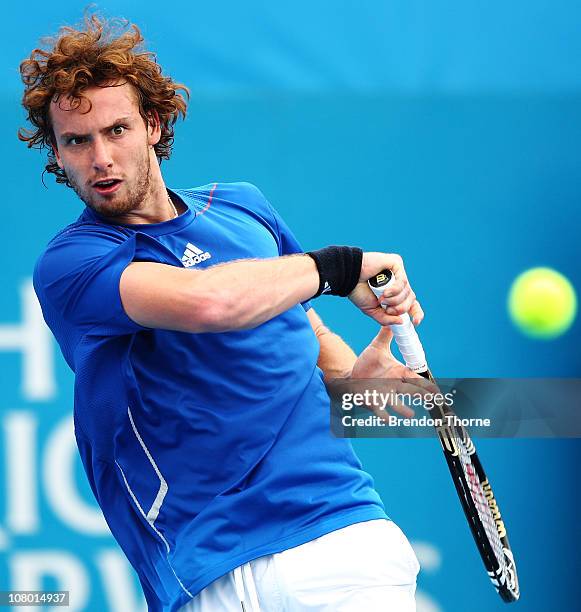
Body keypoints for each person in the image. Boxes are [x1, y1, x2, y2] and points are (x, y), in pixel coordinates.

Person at [20, 14, 431, 612]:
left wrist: (349, 383)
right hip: (203, 571)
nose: (102, 158)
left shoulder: (241, 207)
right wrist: (338, 268)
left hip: (333, 541)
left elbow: (300, 320)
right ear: (57, 152)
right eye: (77, 141)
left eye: (117, 130)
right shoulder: (72, 263)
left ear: (154, 125)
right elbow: (214, 302)